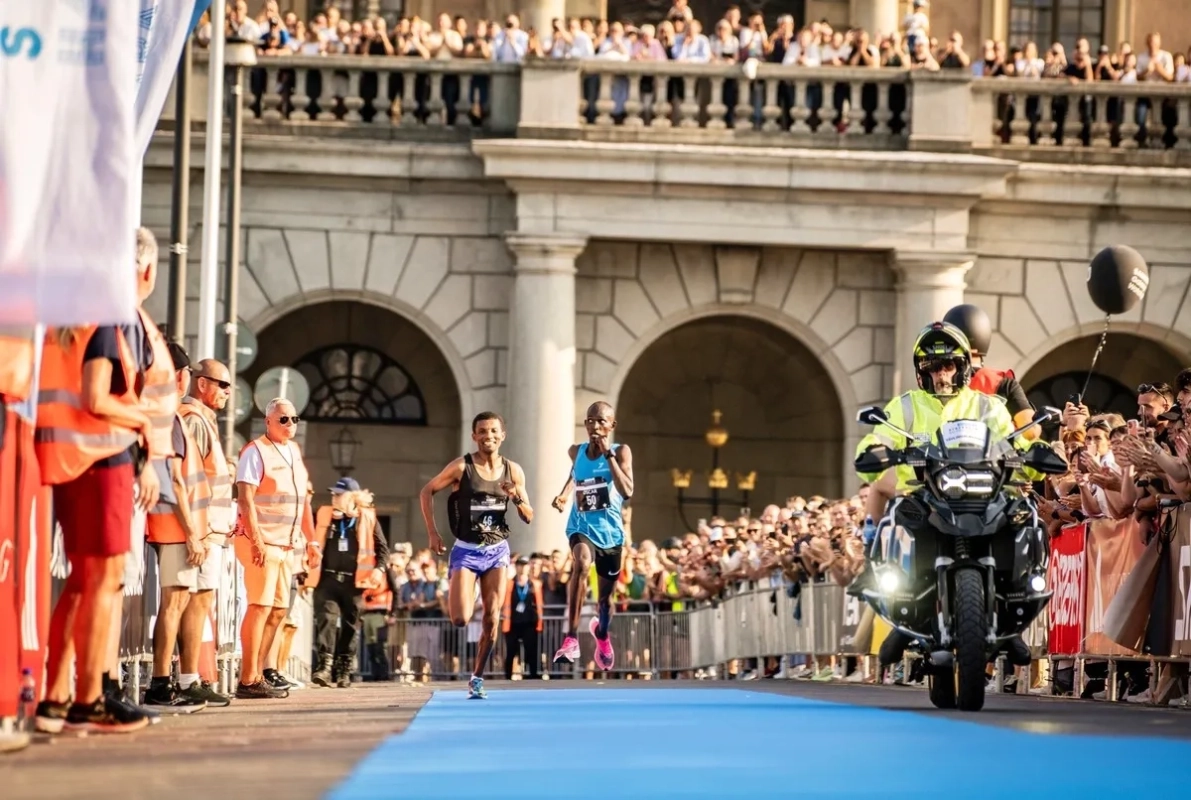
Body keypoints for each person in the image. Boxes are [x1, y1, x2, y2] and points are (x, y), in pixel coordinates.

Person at [853, 322, 1049, 670]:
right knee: (896, 520)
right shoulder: (906, 406)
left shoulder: (988, 406)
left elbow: (1018, 439)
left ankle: (1012, 615)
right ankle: (901, 610)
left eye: (948, 365)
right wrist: (876, 449)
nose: (941, 373)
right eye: (931, 366)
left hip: (985, 495)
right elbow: (881, 434)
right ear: (921, 372)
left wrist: (1036, 452)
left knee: (1024, 518)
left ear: (962, 367)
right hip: (926, 497)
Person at [419, 411, 533, 699]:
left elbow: (529, 516)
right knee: (460, 618)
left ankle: (477, 677)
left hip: (497, 551)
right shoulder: (462, 467)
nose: (488, 436)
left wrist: (515, 496)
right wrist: (433, 532)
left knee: (492, 618)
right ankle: (460, 588)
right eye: (482, 431)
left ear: (503, 435)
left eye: (494, 431)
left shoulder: (513, 471)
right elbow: (427, 490)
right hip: (466, 551)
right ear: (474, 436)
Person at [234, 397, 316, 699]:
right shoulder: (255, 451)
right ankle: (248, 679)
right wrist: (256, 540)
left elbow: (301, 500)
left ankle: (257, 673)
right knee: (260, 607)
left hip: (286, 544)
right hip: (263, 542)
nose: (290, 424)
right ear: (268, 421)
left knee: (279, 608)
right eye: (283, 419)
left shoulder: (293, 451)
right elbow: (245, 499)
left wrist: (310, 540)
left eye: (294, 419)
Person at [549, 401, 634, 672]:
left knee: (605, 602)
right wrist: (564, 495)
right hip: (581, 526)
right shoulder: (576, 451)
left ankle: (602, 634)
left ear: (611, 425)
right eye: (590, 421)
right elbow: (575, 474)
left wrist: (609, 455)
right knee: (582, 563)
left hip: (610, 534)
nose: (594, 426)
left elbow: (628, 490)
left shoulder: (621, 452)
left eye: (600, 421)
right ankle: (571, 638)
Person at [175, 358, 236, 706]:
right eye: (223, 385)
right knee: (194, 602)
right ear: (202, 384)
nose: (228, 392)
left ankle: (187, 678)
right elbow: (187, 477)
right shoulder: (195, 419)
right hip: (200, 529)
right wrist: (195, 531)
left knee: (195, 602)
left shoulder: (202, 420)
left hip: (206, 528)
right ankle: (187, 679)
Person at [305, 477, 390, 689]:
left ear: (352, 497)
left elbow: (383, 549)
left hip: (355, 583)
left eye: (338, 494)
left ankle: (343, 670)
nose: (333, 497)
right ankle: (324, 668)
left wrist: (379, 570)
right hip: (327, 580)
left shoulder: (367, 518)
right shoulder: (325, 515)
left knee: (351, 627)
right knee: (326, 621)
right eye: (333, 494)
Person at [942, 304, 1038, 435]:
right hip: (996, 454)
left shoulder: (938, 380)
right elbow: (1031, 431)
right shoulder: (1004, 384)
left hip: (945, 453)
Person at [502, 555, 544, 679]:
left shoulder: (534, 584)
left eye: (525, 565)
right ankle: (508, 675)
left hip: (529, 622)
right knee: (511, 651)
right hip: (512, 623)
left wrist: (539, 622)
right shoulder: (509, 583)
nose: (522, 567)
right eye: (520, 565)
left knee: (531, 650)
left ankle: (533, 675)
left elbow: (539, 603)